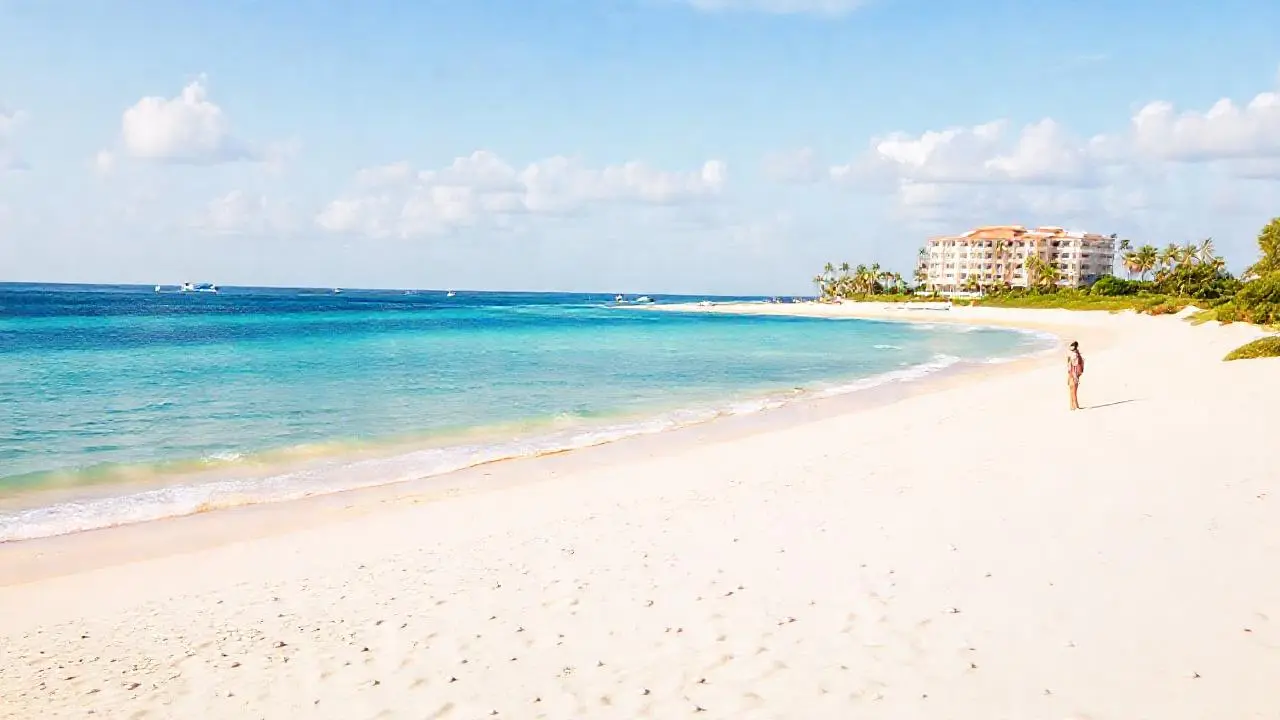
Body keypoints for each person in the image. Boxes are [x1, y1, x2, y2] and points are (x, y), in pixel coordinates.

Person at [1067, 341, 1085, 410]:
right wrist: (1076, 376)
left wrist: (1068, 377)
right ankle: (1076, 406)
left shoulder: (1072, 355)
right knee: (1074, 390)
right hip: (1074, 374)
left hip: (1071, 373)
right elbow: (1076, 365)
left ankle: (1072, 406)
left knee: (1072, 390)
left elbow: (1069, 367)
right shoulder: (1076, 355)